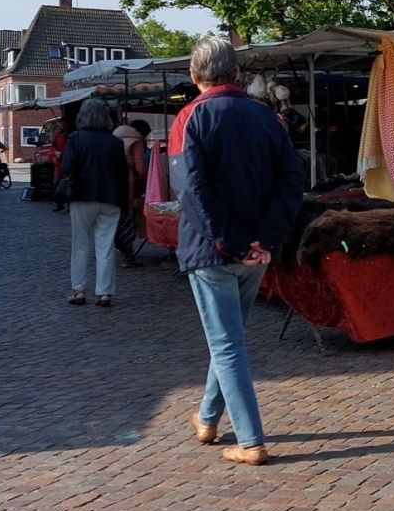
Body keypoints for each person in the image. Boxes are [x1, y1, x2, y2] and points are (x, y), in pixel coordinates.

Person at [175, 40, 305, 466]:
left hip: (214, 250)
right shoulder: (268, 116)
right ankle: (208, 418)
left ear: (196, 76)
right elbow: (290, 183)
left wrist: (230, 241)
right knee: (228, 339)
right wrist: (263, 238)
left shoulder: (190, 116)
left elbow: (192, 190)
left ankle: (250, 441)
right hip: (254, 249)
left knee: (227, 344)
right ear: (235, 73)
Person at [60, 98, 129, 307]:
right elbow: (122, 174)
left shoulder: (76, 138)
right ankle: (104, 292)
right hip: (110, 198)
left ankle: (79, 290)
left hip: (82, 196)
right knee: (105, 246)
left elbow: (66, 166)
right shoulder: (115, 142)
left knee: (80, 244)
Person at [111, 119, 151, 267]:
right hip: (127, 182)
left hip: (110, 181)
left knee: (113, 218)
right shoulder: (136, 141)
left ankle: (115, 249)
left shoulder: (114, 136)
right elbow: (140, 168)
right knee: (127, 217)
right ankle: (127, 254)